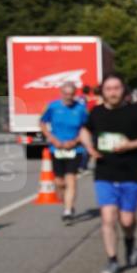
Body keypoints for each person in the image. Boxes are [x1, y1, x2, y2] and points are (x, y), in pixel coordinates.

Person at [80, 75, 137, 273]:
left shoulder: (136, 112)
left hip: (130, 173)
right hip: (105, 172)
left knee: (127, 220)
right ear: (102, 91)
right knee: (108, 218)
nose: (112, 92)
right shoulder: (96, 112)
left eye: (116, 88)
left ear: (123, 90)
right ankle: (112, 260)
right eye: (108, 89)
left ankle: (130, 243)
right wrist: (89, 147)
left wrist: (130, 145)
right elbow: (84, 131)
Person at [40, 81, 89, 223]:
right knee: (59, 182)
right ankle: (65, 201)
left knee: (71, 179)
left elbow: (87, 128)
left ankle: (68, 211)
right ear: (61, 93)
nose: (68, 97)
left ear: (75, 94)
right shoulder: (53, 106)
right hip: (57, 148)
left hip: (75, 148)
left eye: (71, 94)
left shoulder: (80, 109)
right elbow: (42, 123)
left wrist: (75, 141)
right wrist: (52, 139)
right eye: (66, 94)